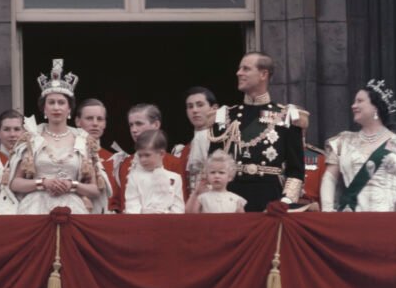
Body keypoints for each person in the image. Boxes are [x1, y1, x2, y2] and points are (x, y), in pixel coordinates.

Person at [4, 59, 110, 215]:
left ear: (69, 109)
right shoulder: (32, 138)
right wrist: (43, 183)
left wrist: (72, 185)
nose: (56, 107)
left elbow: (95, 190)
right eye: (51, 102)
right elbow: (15, 183)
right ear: (44, 109)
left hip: (73, 209)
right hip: (35, 209)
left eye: (61, 102)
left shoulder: (82, 140)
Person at [209, 51, 306, 211]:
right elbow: (213, 163)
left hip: (270, 202)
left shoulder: (286, 115)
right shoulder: (225, 115)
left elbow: (296, 171)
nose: (238, 73)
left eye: (246, 69)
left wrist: (286, 201)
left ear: (263, 74)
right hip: (231, 202)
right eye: (240, 69)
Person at [320, 80, 396, 212]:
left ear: (375, 107)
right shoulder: (342, 142)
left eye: (360, 101)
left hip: (390, 217)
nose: (353, 105)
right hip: (352, 215)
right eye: (354, 101)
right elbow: (329, 179)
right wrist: (327, 211)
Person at [110, 103, 186, 212]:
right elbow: (118, 203)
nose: (133, 129)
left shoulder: (174, 163)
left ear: (155, 125)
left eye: (139, 124)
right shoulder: (125, 163)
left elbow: (180, 205)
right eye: (131, 125)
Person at [173, 86, 218, 198]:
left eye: (200, 105)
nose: (195, 110)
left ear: (214, 108)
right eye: (190, 106)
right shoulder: (182, 151)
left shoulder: (225, 143)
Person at [124, 129, 183, 214]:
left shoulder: (175, 178)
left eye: (147, 155)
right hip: (141, 224)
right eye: (140, 155)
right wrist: (146, 213)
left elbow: (179, 208)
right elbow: (131, 205)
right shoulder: (134, 177)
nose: (143, 160)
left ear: (162, 154)